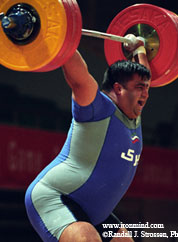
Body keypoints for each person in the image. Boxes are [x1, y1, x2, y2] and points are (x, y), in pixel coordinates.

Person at [25, 34, 151, 242]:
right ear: (118, 88)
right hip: (55, 197)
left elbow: (144, 75)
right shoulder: (97, 107)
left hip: (94, 212)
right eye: (140, 88)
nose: (146, 93)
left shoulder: (133, 113)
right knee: (87, 239)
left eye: (146, 88)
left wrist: (140, 48)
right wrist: (57, 34)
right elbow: (77, 77)